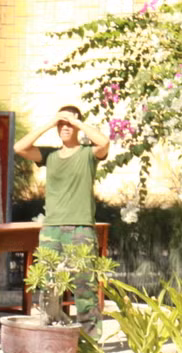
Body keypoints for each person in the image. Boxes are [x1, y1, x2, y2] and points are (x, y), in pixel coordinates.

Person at [13, 104, 110, 334]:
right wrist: (50, 123)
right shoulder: (50, 155)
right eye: (62, 124)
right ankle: (51, 334)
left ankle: (91, 338)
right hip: (51, 229)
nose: (65, 127)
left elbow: (104, 143)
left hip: (80, 227)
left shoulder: (88, 153)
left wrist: (76, 122)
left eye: (70, 124)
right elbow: (19, 147)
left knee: (84, 285)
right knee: (49, 285)